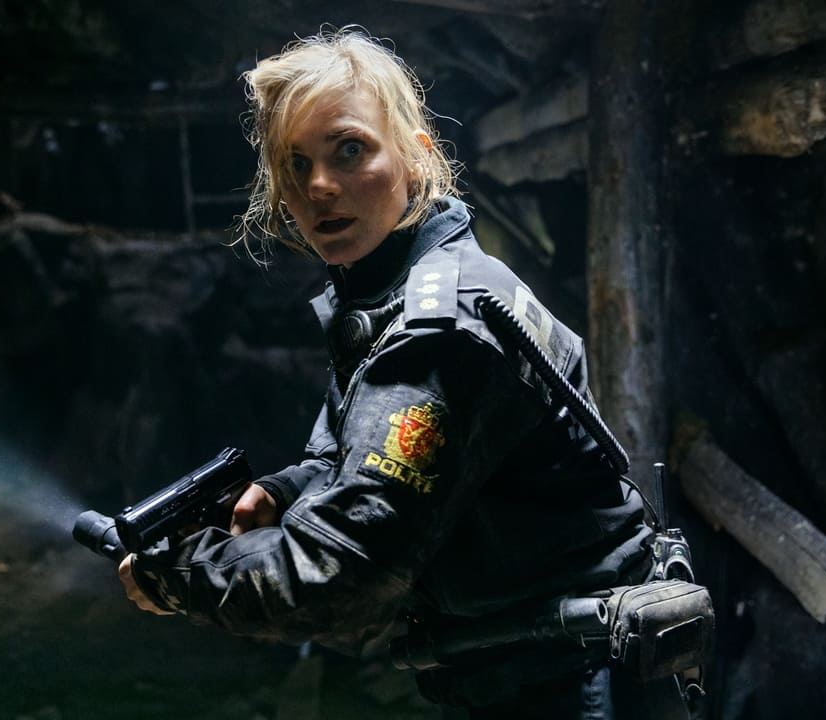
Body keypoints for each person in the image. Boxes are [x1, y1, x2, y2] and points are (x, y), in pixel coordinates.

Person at [117, 26, 681, 719]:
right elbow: (355, 460)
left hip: (569, 680)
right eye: (295, 164)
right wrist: (285, 490)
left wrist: (180, 573)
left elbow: (344, 574)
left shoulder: (438, 328)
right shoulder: (393, 295)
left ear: (416, 158)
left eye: (349, 149)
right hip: (540, 663)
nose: (319, 185)